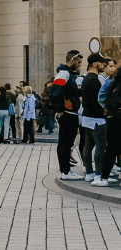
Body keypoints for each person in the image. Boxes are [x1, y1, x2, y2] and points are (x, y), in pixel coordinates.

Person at [56, 51, 84, 179]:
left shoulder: (67, 74)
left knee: (65, 143)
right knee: (66, 143)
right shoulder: (65, 74)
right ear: (72, 61)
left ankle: (65, 171)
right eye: (78, 63)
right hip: (68, 114)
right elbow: (55, 92)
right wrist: (60, 109)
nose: (79, 65)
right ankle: (66, 171)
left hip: (69, 112)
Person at [80, 53, 107, 181]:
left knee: (88, 146)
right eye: (102, 62)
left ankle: (89, 173)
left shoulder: (86, 78)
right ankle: (98, 176)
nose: (104, 65)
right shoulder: (94, 80)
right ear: (95, 63)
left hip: (87, 117)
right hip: (97, 118)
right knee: (100, 146)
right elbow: (97, 101)